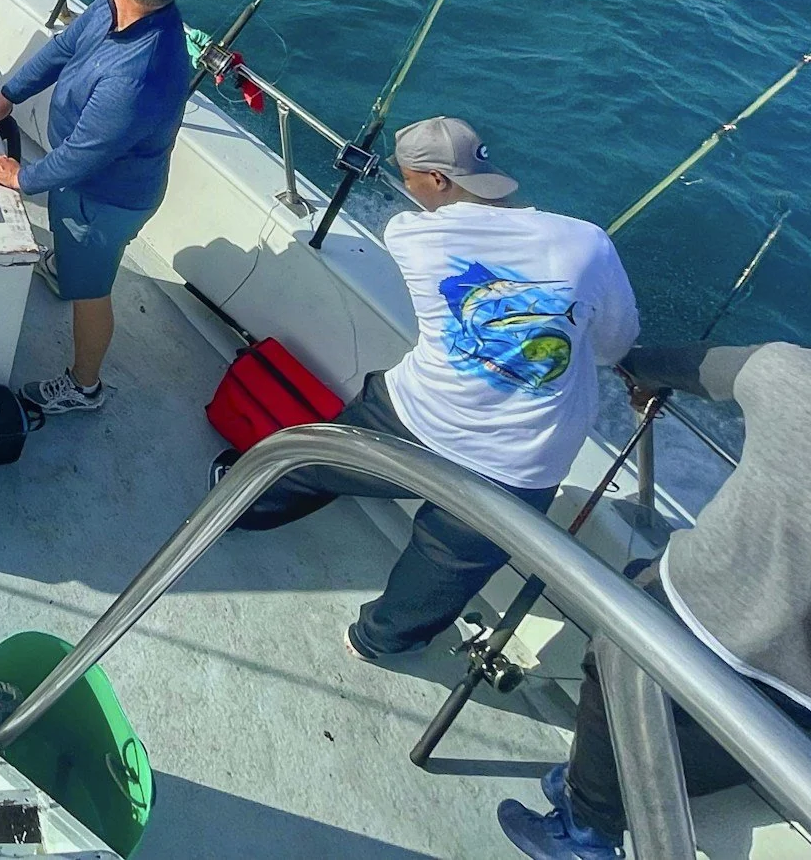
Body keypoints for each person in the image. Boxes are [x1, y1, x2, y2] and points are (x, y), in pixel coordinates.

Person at [496, 301, 811, 860]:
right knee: (702, 741)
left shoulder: (795, 376)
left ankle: (585, 830)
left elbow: (682, 365)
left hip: (688, 629)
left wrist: (639, 371)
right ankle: (595, 785)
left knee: (612, 661)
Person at [227, 117, 639, 664]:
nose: (408, 189)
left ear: (438, 181)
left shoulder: (411, 233)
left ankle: (243, 506)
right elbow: (614, 344)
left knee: (315, 458)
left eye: (410, 177)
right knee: (451, 561)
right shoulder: (589, 241)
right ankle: (379, 640)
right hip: (525, 460)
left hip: (419, 419)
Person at [0, 0, 189, 415]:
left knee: (91, 291)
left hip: (104, 200)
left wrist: (19, 178)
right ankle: (65, 265)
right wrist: (7, 96)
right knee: (72, 257)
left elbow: (80, 158)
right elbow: (62, 49)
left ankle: (84, 386)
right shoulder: (113, 9)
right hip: (83, 186)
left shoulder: (140, 76)